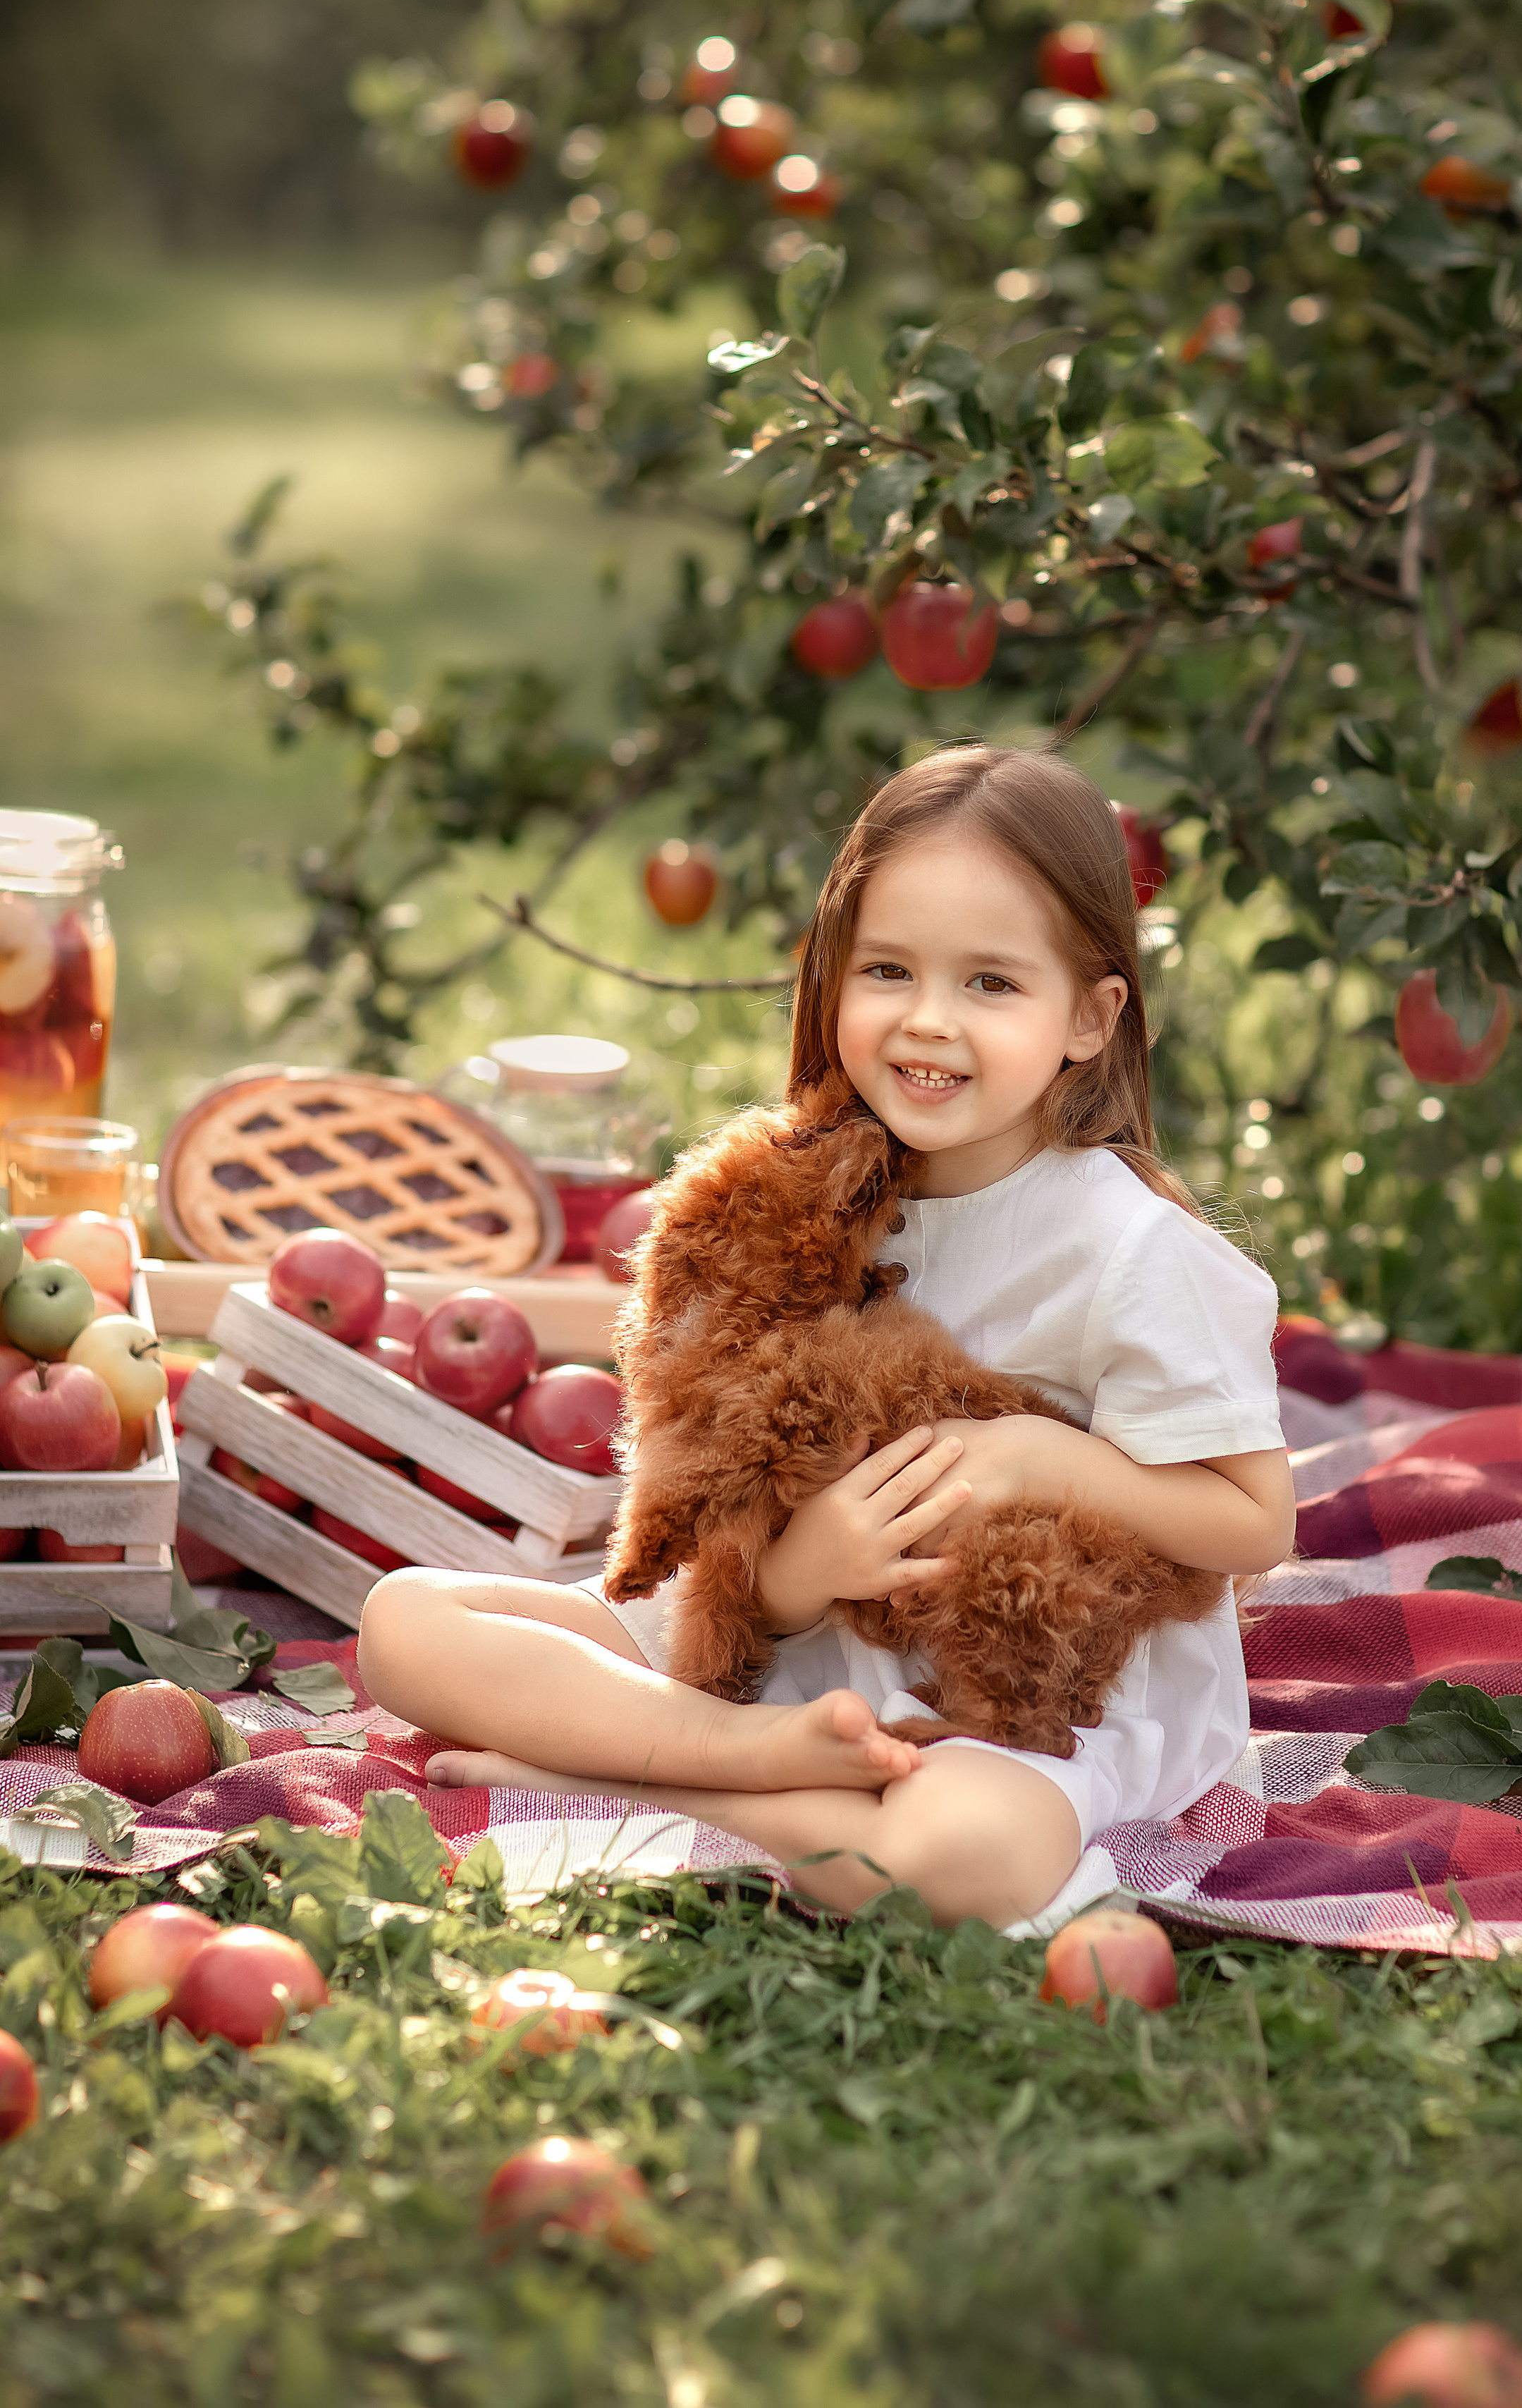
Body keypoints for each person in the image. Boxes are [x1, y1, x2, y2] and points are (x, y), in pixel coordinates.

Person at [358, 745, 1294, 1928]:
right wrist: (800, 1576)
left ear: (1089, 1016)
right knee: (404, 1623)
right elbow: (746, 1493)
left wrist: (1045, 1461)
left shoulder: (1129, 1250)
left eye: (992, 984)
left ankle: (615, 1770)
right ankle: (750, 1763)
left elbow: (1255, 1521)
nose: (929, 1022)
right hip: (786, 1653)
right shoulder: (802, 1199)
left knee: (967, 1852)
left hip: (1005, 1701)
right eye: (890, 969)